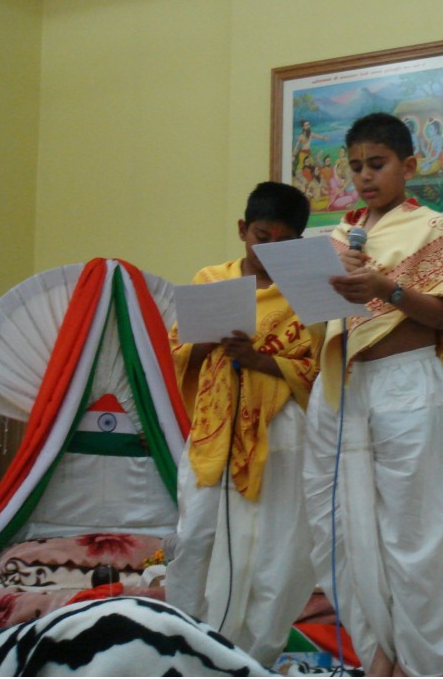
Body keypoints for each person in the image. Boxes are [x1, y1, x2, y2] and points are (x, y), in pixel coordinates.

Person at [303, 112, 443, 678]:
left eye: (376, 164)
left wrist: (386, 288)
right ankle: (374, 652)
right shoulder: (337, 236)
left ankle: (418, 666)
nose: (364, 177)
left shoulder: (429, 226)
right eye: (355, 167)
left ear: (409, 165)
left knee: (410, 533)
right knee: (338, 526)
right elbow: (320, 321)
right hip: (342, 386)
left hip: (404, 379)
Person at [166, 181, 322, 668]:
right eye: (262, 236)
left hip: (282, 435)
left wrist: (259, 360)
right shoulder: (211, 280)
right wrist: (208, 342)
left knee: (274, 553)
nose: (270, 249)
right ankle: (183, 650)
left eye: (285, 242)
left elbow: (323, 370)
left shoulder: (308, 292)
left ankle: (251, 661)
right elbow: (178, 355)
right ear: (242, 230)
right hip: (214, 431)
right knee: (195, 538)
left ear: (300, 244)